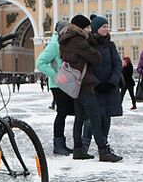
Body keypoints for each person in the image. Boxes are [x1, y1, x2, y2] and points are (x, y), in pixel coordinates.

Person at [60, 15, 122, 162]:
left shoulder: (65, 39)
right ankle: (103, 151)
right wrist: (91, 45)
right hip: (85, 82)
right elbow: (96, 58)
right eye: (87, 27)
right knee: (95, 118)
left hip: (74, 82)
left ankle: (78, 149)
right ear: (81, 28)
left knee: (79, 117)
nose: (89, 30)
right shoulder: (80, 41)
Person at [81, 16, 123, 154]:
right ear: (96, 29)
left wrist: (113, 81)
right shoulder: (89, 45)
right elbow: (87, 67)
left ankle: (104, 145)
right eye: (104, 26)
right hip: (95, 88)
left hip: (110, 87)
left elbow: (117, 64)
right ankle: (84, 146)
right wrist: (97, 83)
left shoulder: (110, 45)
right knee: (91, 118)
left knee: (106, 116)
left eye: (107, 26)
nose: (107, 29)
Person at [36, 19, 75, 155]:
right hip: (57, 85)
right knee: (62, 113)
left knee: (63, 113)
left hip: (64, 83)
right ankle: (58, 145)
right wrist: (56, 75)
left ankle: (61, 143)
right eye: (66, 29)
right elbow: (40, 63)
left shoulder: (62, 43)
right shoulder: (54, 45)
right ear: (60, 31)